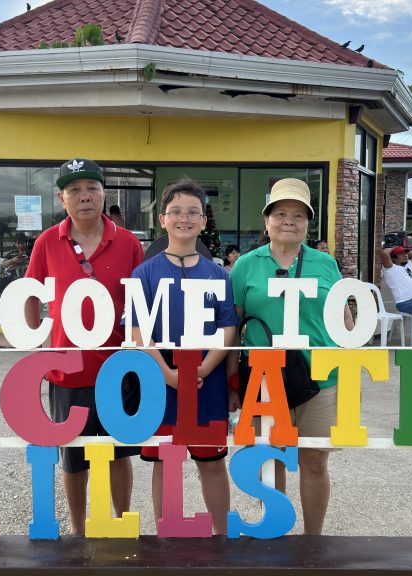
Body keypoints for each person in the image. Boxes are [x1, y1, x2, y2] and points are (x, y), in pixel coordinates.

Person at [23, 157, 144, 535]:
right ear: (62, 198)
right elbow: (30, 293)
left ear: (104, 193)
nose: (84, 196)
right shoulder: (47, 241)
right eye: (74, 189)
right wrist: (35, 335)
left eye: (91, 187)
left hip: (117, 367)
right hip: (66, 370)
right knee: (73, 458)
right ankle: (78, 531)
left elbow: (142, 300)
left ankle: (121, 522)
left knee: (118, 453)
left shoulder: (127, 243)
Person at [230, 177, 353, 535]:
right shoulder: (245, 266)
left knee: (314, 460)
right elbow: (232, 329)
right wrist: (232, 383)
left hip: (321, 378)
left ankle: (313, 539)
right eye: (280, 213)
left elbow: (345, 321)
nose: (289, 220)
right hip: (264, 380)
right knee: (270, 461)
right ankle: (275, 533)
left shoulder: (325, 263)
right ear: (266, 220)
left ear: (307, 223)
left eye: (298, 215)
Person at [128, 178, 238, 535]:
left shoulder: (219, 275)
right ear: (162, 219)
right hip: (162, 383)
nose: (184, 219)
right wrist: (166, 373)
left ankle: (221, 534)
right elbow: (137, 331)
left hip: (208, 382)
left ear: (204, 221)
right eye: (175, 212)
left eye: (193, 212)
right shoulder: (144, 274)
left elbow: (228, 328)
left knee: (212, 461)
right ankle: (166, 532)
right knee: (166, 461)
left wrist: (202, 368)